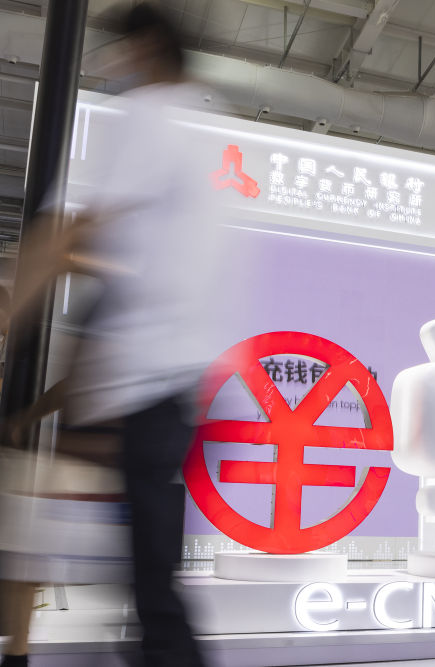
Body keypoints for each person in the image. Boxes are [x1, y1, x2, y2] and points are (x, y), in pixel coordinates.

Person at [1, 5, 224, 665]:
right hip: (170, 383)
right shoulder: (204, 129)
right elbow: (109, 252)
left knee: (149, 581)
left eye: (120, 52)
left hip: (146, 383)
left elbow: (72, 228)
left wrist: (12, 309)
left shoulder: (153, 116)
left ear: (148, 47)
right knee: (146, 573)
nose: (112, 66)